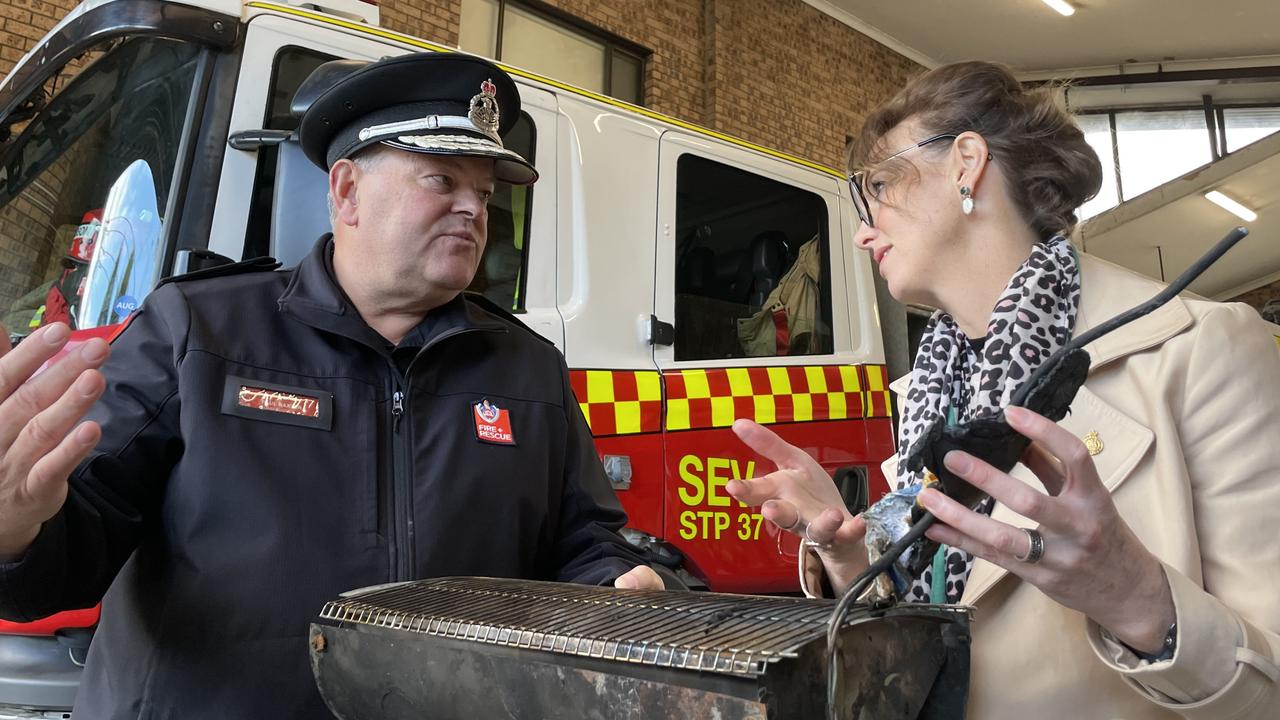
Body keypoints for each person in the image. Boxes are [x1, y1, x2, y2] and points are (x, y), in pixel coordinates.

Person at [0, 53, 662, 719]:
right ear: (346, 190)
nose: (474, 208)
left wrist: (615, 584)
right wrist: (13, 533)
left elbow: (583, 541)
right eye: (441, 178)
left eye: (486, 193)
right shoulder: (199, 331)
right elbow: (64, 557)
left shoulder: (527, 369)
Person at [726, 61, 1280, 719]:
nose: (860, 228)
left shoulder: (1198, 350)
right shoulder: (929, 393)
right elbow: (925, 634)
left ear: (966, 163)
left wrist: (1137, 597)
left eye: (878, 183)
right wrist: (854, 556)